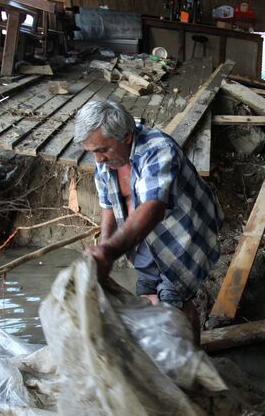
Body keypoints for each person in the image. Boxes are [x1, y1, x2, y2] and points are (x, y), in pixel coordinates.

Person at [74, 100, 223, 325]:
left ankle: (189, 354)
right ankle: (169, 350)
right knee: (146, 296)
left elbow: (153, 207)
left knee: (174, 306)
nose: (98, 159)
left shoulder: (158, 149)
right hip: (143, 242)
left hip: (181, 238)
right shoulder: (105, 160)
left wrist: (110, 250)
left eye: (102, 150)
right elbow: (109, 206)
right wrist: (103, 246)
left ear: (125, 136)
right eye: (93, 152)